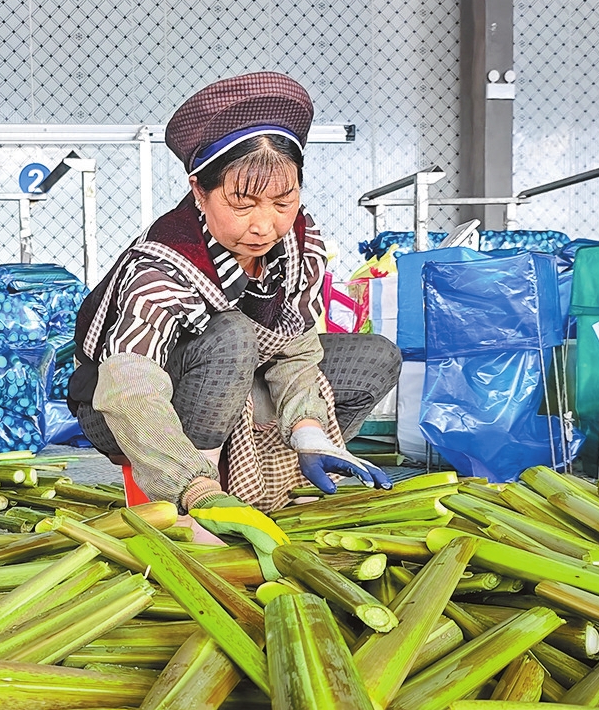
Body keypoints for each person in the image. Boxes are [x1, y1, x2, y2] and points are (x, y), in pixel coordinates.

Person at [69, 71, 401, 558]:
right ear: (199, 192)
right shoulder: (163, 263)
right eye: (242, 204)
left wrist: (311, 432)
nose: (265, 225)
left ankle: (283, 480)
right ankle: (197, 503)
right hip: (124, 408)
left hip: (240, 386)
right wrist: (198, 491)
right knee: (232, 334)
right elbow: (129, 390)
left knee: (376, 357)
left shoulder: (299, 243)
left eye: (283, 202)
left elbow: (295, 351)